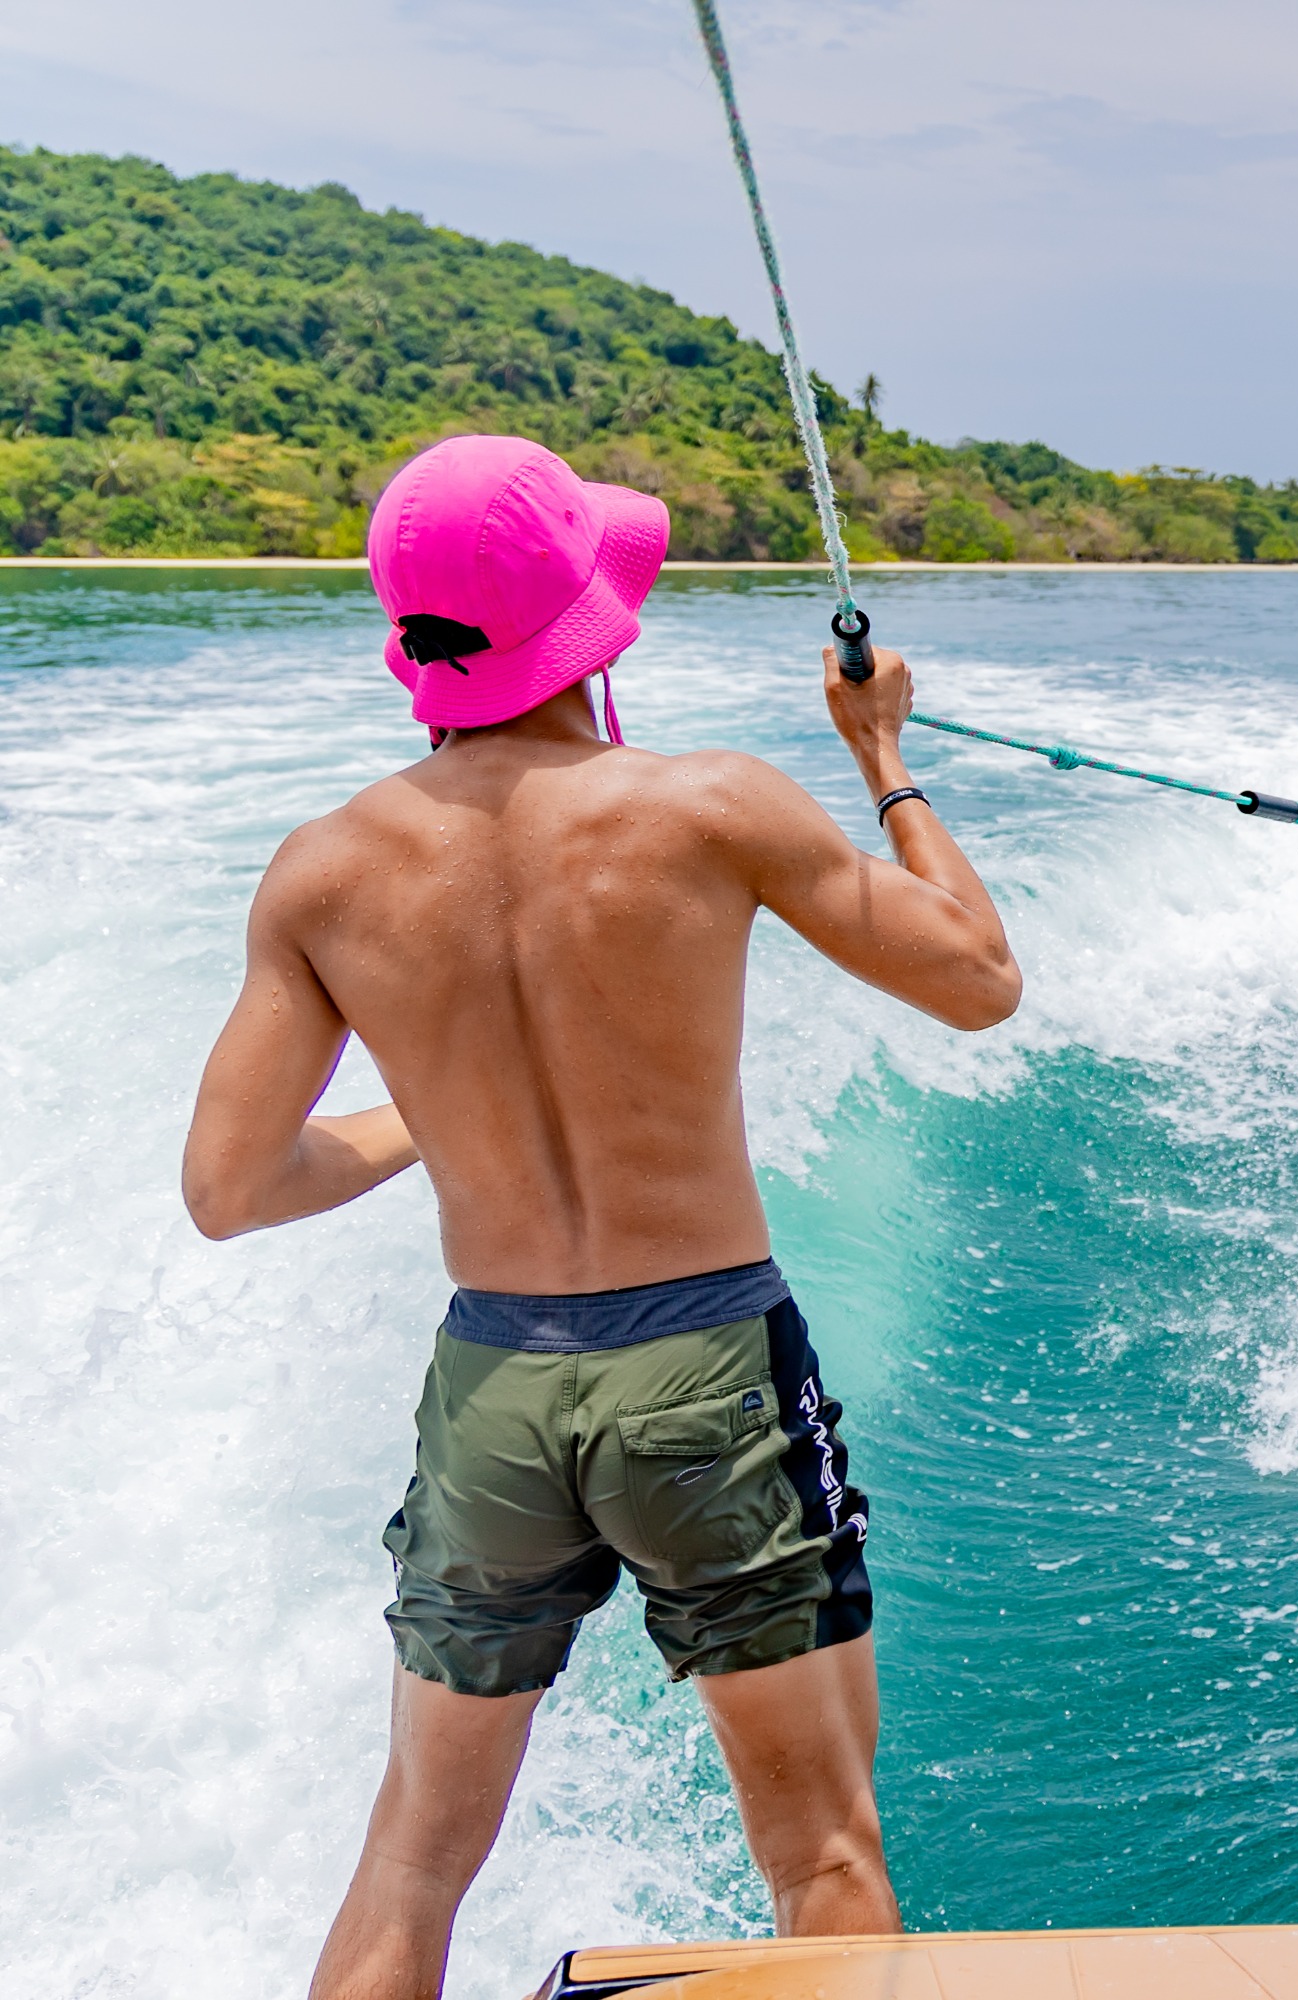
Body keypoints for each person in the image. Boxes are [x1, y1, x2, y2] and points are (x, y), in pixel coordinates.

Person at [178, 435, 1022, 2000]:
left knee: (413, 1864)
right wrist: (883, 755)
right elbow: (977, 979)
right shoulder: (706, 807)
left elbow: (232, 1190)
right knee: (820, 1850)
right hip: (705, 1371)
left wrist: (431, 1125)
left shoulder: (323, 875)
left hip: (491, 1391)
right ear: (590, 614)